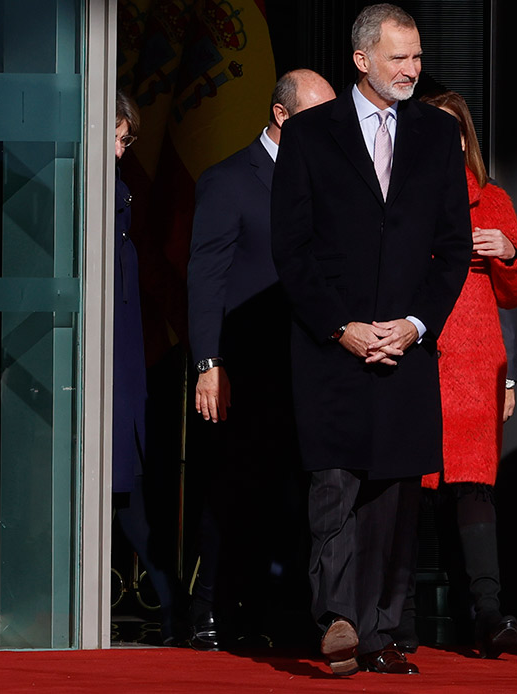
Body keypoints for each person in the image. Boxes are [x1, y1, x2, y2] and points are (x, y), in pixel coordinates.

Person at [270, 3, 471, 676]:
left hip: (406, 349)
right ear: (361, 60)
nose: (412, 69)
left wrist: (414, 326)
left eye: (416, 57)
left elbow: (453, 248)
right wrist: (341, 326)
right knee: (334, 485)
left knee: (394, 496)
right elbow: (290, 251)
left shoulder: (439, 137)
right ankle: (338, 621)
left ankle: (381, 633)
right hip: (332, 347)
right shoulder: (308, 136)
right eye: (398, 58)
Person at [186, 69, 335, 650]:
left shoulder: (326, 183)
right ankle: (213, 614)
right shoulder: (228, 180)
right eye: (317, 116)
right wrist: (208, 362)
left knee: (299, 496)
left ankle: (286, 615)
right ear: (281, 115)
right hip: (243, 367)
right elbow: (206, 278)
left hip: (310, 368)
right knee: (234, 490)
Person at [415, 89, 517, 657]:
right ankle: (399, 620)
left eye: (453, 132)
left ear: (466, 140)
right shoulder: (394, 196)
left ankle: (488, 612)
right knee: (408, 491)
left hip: (473, 360)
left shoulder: (491, 200)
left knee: (473, 487)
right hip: (412, 355)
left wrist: (509, 250)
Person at [112, 89, 180, 645]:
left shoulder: (120, 195)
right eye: (117, 135)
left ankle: (172, 602)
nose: (120, 148)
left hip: (123, 363)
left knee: (127, 486)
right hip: (93, 364)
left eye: (128, 139)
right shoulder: (90, 193)